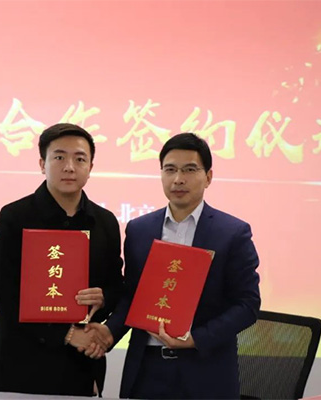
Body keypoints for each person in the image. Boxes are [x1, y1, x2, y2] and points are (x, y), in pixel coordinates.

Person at [86, 133, 261, 399]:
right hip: (147, 368)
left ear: (208, 177)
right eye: (170, 169)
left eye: (189, 170)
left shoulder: (232, 233)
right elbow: (133, 295)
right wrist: (111, 331)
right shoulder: (139, 230)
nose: (178, 179)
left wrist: (196, 338)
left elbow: (247, 304)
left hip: (205, 369)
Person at [0, 123, 124, 396]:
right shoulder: (15, 217)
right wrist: (66, 334)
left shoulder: (105, 222)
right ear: (42, 164)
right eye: (59, 157)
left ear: (90, 167)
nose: (69, 167)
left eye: (80, 159)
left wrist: (103, 298)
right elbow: (4, 291)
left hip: (81, 361)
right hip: (21, 362)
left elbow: (116, 284)